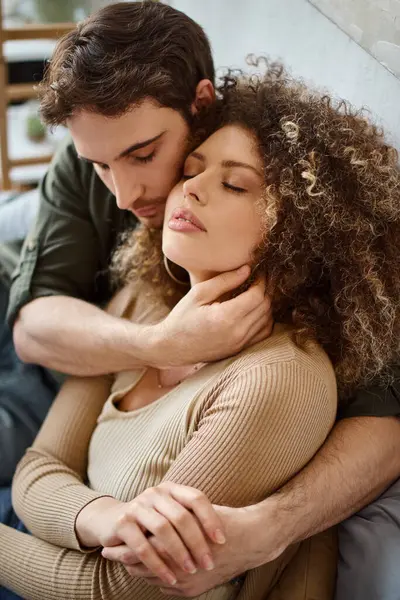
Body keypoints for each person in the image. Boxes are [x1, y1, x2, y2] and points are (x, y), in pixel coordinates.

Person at [1, 3, 400, 599]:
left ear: (202, 104)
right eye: (99, 166)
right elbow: (32, 331)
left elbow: (384, 424)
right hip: (57, 364)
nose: (125, 194)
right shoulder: (141, 285)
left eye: (143, 156)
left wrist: (271, 528)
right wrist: (160, 344)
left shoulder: (284, 372)